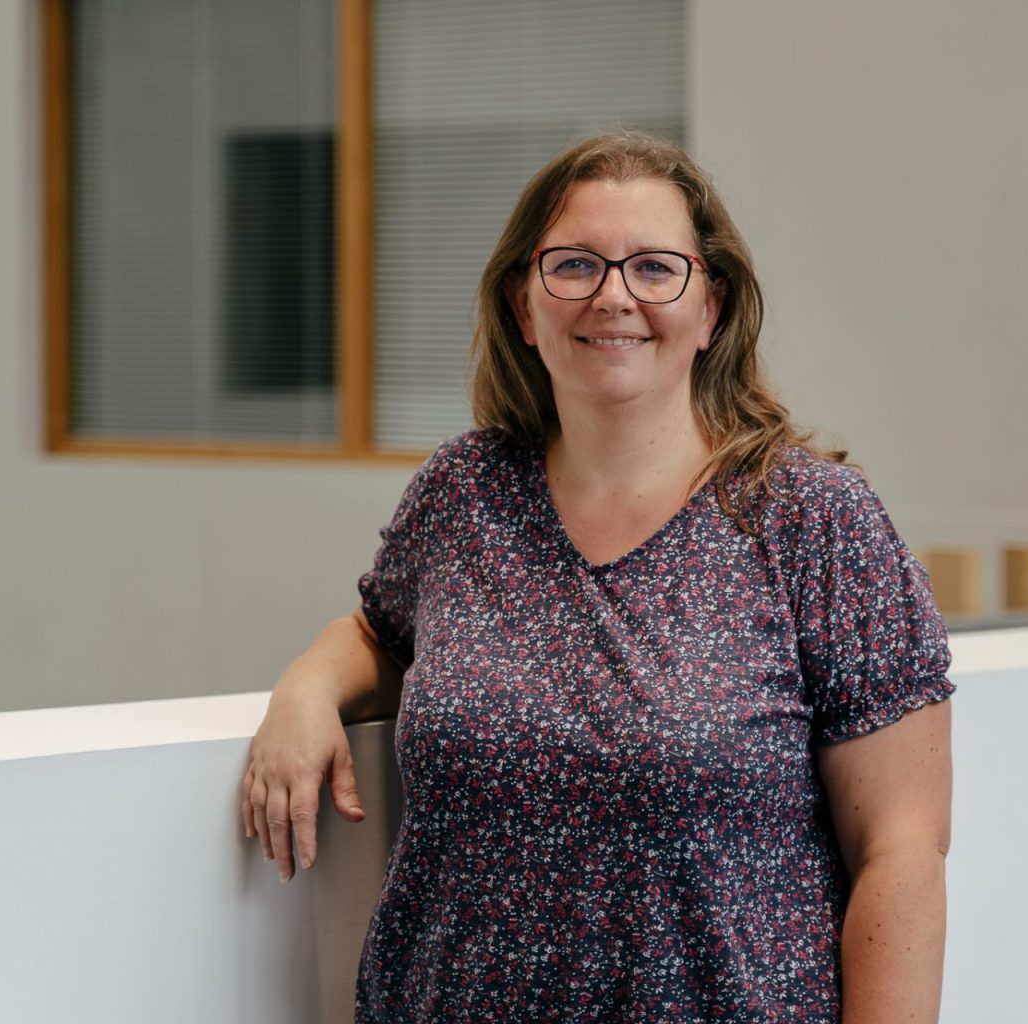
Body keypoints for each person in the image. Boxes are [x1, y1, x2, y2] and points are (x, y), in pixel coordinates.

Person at [241, 130, 953, 1023]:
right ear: (523, 304)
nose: (613, 296)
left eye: (655, 268)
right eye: (575, 265)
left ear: (712, 308)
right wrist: (306, 691)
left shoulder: (815, 520)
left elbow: (902, 850)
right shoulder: (465, 492)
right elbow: (379, 635)